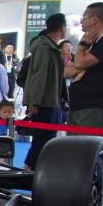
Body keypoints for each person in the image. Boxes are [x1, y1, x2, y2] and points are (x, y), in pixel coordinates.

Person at [64, 2, 103, 130]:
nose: (81, 21)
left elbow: (79, 63)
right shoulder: (93, 43)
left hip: (96, 107)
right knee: (73, 142)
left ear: (95, 19)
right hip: (79, 106)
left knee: (90, 142)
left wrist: (82, 45)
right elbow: (68, 72)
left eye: (84, 17)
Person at [22, 13, 67, 171]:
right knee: (41, 140)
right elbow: (39, 76)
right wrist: (34, 103)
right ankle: (28, 170)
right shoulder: (44, 47)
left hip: (51, 101)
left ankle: (35, 170)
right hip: (44, 103)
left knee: (47, 139)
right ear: (62, 28)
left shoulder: (51, 47)